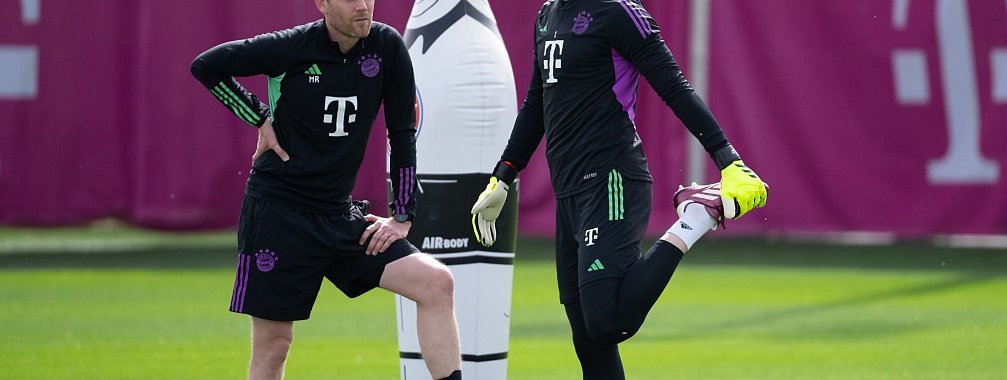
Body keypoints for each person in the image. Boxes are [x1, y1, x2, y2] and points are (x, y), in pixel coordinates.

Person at [469, 0, 768, 378]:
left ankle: (696, 216)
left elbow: (674, 86)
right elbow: (536, 104)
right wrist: (503, 176)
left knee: (609, 321)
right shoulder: (548, 14)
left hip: (612, 180)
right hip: (569, 194)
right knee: (590, 346)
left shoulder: (617, 11)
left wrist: (728, 161)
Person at [190, 0, 462, 379]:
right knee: (274, 346)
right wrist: (259, 117)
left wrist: (402, 215)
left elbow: (401, 133)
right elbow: (206, 65)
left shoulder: (386, 47)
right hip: (278, 215)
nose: (363, 6)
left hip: (337, 215)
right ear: (322, 3)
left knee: (436, 283)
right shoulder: (291, 46)